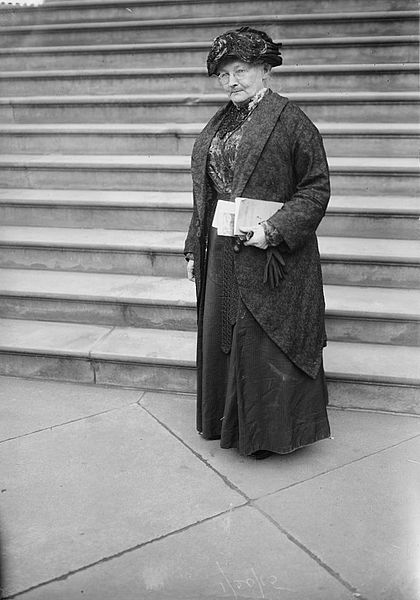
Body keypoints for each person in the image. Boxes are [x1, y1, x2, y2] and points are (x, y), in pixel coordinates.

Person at [184, 26, 331, 460]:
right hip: (221, 245)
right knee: (223, 332)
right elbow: (205, 191)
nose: (232, 81)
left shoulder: (291, 120)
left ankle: (266, 435)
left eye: (241, 70)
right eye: (224, 74)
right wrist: (195, 244)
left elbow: (316, 188)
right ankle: (226, 423)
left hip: (269, 249)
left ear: (265, 71)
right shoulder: (223, 120)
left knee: (259, 338)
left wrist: (277, 230)